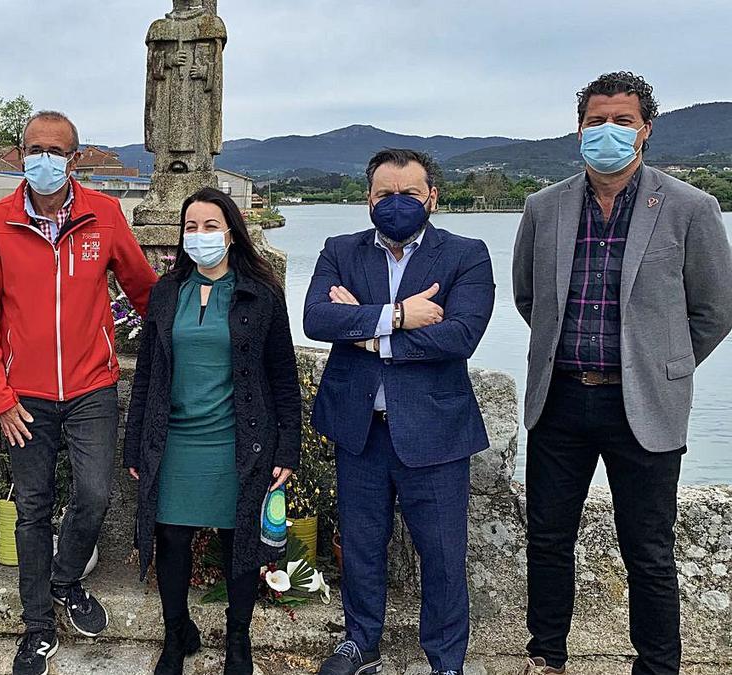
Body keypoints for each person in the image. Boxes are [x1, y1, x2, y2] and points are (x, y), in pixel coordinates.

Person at [514, 72, 732, 675]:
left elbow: (715, 309)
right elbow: (529, 299)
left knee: (650, 552)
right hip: (559, 400)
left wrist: (661, 365)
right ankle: (546, 656)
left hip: (645, 405)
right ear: (578, 128)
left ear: (646, 130)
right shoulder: (543, 207)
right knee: (549, 540)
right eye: (595, 121)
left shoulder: (691, 207)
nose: (606, 132)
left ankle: (658, 665)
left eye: (622, 121)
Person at [0, 110, 158, 675]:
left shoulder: (104, 214)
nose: (43, 159)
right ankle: (38, 628)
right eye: (34, 149)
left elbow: (144, 291)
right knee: (31, 508)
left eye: (56, 151)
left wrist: (182, 345)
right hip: (23, 395)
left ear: (74, 160)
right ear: (19, 155)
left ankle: (67, 579)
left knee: (95, 494)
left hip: (92, 386)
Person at [306, 149, 495, 675]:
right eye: (384, 194)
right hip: (359, 429)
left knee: (442, 555)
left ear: (432, 197)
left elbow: (461, 335)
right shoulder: (340, 250)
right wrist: (400, 316)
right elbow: (318, 319)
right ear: (368, 198)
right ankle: (360, 642)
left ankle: (446, 660)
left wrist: (367, 335)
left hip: (436, 432)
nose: (397, 204)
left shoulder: (467, 254)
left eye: (409, 194)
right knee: (362, 548)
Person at [124, 187, 301, 675]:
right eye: (190, 227)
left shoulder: (261, 295)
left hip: (238, 440)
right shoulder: (165, 293)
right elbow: (147, 375)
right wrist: (135, 442)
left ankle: (238, 638)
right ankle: (176, 631)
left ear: (231, 233)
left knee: (237, 538)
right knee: (173, 537)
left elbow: (283, 377)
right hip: (175, 439)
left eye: (209, 226)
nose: (199, 236)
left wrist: (289, 447)